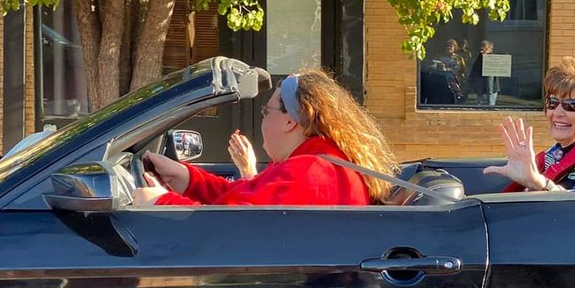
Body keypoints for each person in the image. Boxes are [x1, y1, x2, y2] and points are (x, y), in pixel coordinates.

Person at [132, 69, 397, 206]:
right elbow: (247, 196)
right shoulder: (320, 163)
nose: (262, 120)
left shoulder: (309, 172)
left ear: (290, 121)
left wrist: (160, 201)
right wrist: (187, 179)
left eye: (266, 111)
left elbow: (230, 228)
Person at [484, 57, 575, 191]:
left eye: (572, 105)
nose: (557, 113)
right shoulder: (560, 151)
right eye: (553, 103)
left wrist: (539, 184)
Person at [469, 40, 501, 106]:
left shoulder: (494, 58)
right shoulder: (479, 58)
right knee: (480, 102)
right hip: (481, 84)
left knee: (490, 103)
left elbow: (498, 68)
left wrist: (488, 56)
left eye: (486, 48)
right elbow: (475, 69)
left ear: (490, 49)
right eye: (482, 47)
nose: (483, 50)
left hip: (492, 86)